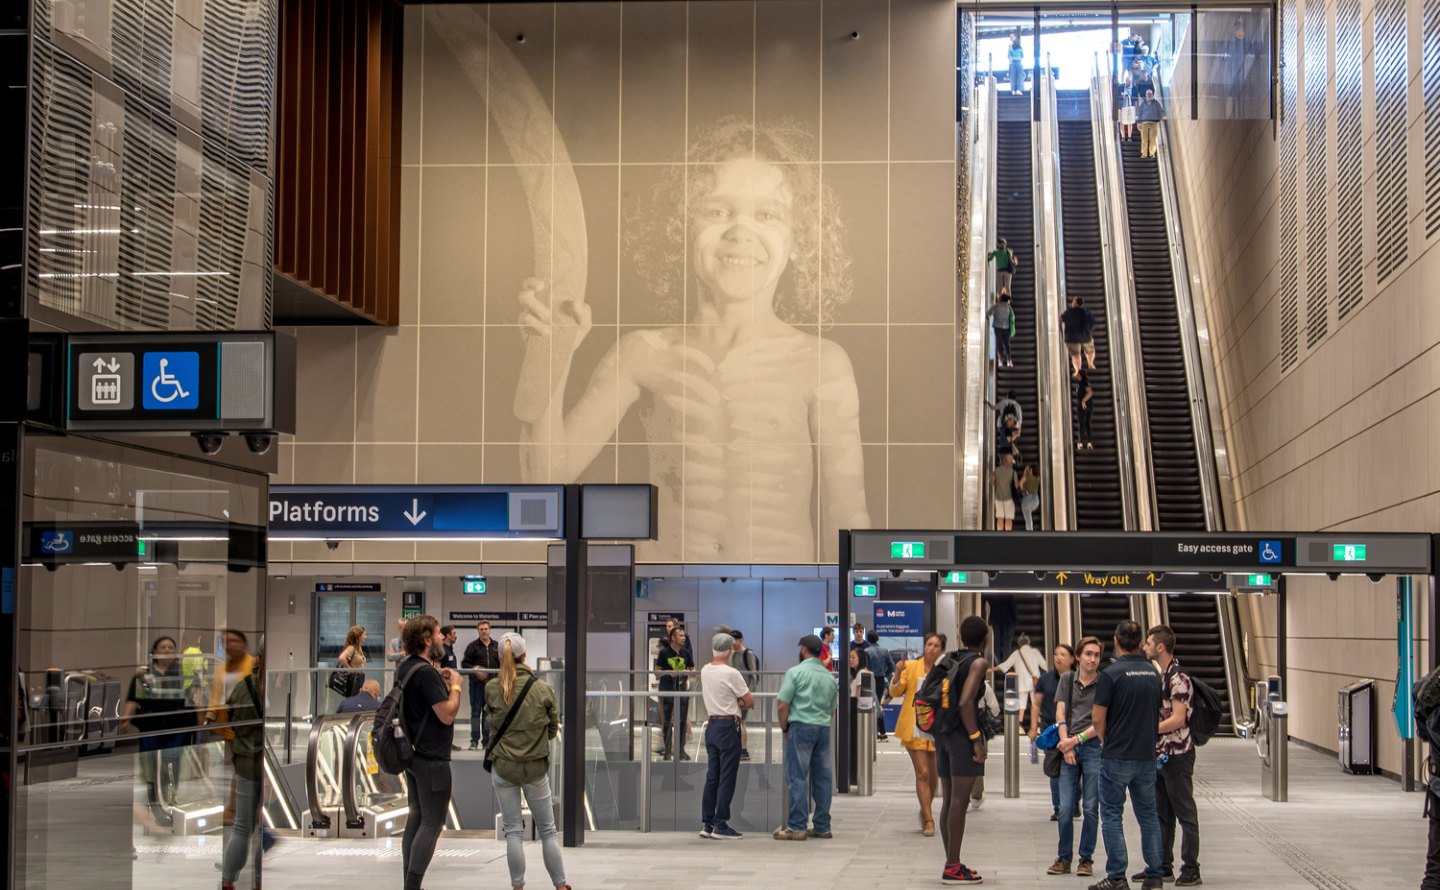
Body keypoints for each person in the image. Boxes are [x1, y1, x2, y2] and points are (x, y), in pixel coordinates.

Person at [516, 118, 870, 564]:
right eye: (718, 210)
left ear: (800, 239)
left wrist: (852, 625)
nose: (740, 231)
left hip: (780, 606)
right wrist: (553, 354)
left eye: (767, 214)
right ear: (682, 225)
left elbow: (848, 517)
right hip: (663, 604)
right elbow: (545, 471)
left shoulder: (822, 363)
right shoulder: (643, 353)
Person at [484, 632, 571, 890]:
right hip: (535, 767)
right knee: (548, 831)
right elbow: (553, 728)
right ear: (524, 656)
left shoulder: (491, 687)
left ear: (500, 657)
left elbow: (490, 722)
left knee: (513, 831)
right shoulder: (542, 688)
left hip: (503, 766)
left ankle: (518, 886)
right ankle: (560, 884)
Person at [1089, 620, 1165, 890]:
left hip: (1116, 755)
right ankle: (1155, 875)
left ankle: (1117, 876)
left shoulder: (1111, 674)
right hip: (1146, 755)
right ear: (1140, 642)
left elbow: (1098, 718)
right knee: (1148, 815)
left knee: (1111, 814)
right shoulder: (1153, 673)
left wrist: (1105, 740)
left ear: (1116, 640)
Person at [396, 616, 462, 890]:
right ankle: (412, 886)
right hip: (432, 758)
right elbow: (446, 714)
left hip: (413, 755)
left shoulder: (407, 667)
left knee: (417, 816)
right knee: (432, 822)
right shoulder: (425, 673)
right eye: (437, 634)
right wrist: (456, 685)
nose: (442, 639)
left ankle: (408, 882)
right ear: (426, 640)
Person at [934, 616, 991, 885]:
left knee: (949, 800)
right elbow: (967, 701)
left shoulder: (951, 658)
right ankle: (952, 868)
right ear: (985, 639)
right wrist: (976, 738)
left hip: (943, 735)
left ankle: (952, 863)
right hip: (961, 738)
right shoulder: (978, 662)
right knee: (960, 801)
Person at [1144, 625, 1201, 886]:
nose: (1144, 647)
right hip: (1163, 753)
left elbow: (1178, 719)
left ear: (1160, 647)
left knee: (1185, 813)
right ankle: (1162, 865)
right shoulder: (1163, 676)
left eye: (1148, 643)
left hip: (1178, 755)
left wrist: (1149, 729)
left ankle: (1191, 868)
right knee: (1162, 813)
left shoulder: (1178, 679)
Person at [774, 634, 839, 841]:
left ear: (803, 650)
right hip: (822, 728)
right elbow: (832, 709)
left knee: (797, 776)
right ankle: (822, 826)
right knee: (823, 778)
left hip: (800, 727)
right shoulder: (829, 677)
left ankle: (797, 826)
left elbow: (783, 703)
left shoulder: (795, 672)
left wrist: (785, 728)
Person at [120, 636, 192, 823]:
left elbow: (195, 697)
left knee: (171, 758)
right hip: (150, 725)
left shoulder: (183, 672)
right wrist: (125, 719)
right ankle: (153, 796)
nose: (167, 650)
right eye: (163, 647)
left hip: (178, 725)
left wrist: (201, 722)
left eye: (171, 647)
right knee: (148, 760)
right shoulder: (144, 675)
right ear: (155, 651)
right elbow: (133, 699)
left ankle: (169, 797)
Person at [1051, 636, 1104, 878]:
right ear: (1079, 657)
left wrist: (1076, 740)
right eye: (1088, 654)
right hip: (1068, 749)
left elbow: (1102, 721)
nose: (1092, 659)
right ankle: (1063, 858)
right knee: (1064, 807)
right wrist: (1066, 743)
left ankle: (1086, 858)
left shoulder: (1105, 683)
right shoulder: (1067, 680)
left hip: (1093, 748)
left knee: (1092, 807)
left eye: (1096, 655)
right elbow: (1060, 712)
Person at [218, 635, 264, 890]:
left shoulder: (245, 685)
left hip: (245, 759)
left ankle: (228, 878)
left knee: (242, 825)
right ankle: (259, 880)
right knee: (262, 825)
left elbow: (231, 716)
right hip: (264, 761)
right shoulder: (269, 685)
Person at [890, 632, 946, 836]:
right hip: (913, 725)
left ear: (941, 649)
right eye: (929, 644)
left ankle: (925, 809)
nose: (931, 648)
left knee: (934, 775)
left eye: (936, 645)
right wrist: (897, 673)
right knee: (922, 772)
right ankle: (929, 820)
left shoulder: (944, 671)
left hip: (935, 727)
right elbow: (895, 691)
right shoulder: (912, 667)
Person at [700, 631, 755, 840]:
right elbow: (749, 701)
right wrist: (737, 702)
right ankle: (721, 824)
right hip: (728, 727)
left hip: (711, 726)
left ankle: (707, 823)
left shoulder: (705, 670)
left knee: (712, 776)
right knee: (727, 777)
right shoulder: (731, 673)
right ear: (730, 650)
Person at [1031, 643, 1077, 821]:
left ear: (1072, 658)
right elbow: (1036, 703)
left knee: (1075, 767)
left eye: (1063, 654)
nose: (1058, 658)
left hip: (1075, 730)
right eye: (1056, 654)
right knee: (1054, 769)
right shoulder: (1046, 679)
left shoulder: (1079, 678)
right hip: (1052, 730)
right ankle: (1058, 807)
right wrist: (1034, 727)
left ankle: (1074, 801)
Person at [656, 624, 695, 759]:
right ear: (673, 637)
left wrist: (688, 672)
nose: (684, 638)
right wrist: (668, 672)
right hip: (667, 691)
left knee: (682, 721)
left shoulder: (686, 653)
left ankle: (680, 750)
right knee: (667, 721)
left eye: (684, 635)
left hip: (682, 691)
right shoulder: (664, 653)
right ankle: (667, 751)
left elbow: (693, 671)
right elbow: (657, 673)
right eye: (681, 635)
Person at [992, 632, 1046, 728]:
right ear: (1028, 642)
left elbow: (1006, 665)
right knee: (1036, 704)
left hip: (1022, 682)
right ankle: (1038, 726)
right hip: (1035, 682)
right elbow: (1044, 665)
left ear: (1019, 643)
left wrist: (992, 669)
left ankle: (1019, 726)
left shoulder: (1017, 653)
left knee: (1021, 704)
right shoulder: (1035, 652)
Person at [462, 620, 500, 750]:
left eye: (485, 629)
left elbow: (502, 665)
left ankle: (486, 741)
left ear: (490, 630)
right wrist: (476, 668)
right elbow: (464, 664)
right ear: (478, 631)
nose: (484, 631)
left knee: (488, 713)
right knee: (475, 712)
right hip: (476, 685)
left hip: (492, 686)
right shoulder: (472, 647)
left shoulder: (497, 646)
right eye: (481, 629)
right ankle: (474, 741)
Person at [728, 629, 760, 760]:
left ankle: (744, 750)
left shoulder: (748, 654)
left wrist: (748, 695)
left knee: (741, 722)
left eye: (734, 639)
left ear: (740, 640)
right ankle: (737, 748)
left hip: (744, 693)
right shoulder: (733, 654)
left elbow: (754, 676)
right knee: (735, 722)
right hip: (735, 694)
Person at [864, 630, 895, 741]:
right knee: (877, 705)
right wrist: (884, 674)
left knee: (872, 706)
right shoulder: (884, 651)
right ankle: (881, 733)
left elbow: (865, 667)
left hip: (869, 680)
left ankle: (880, 733)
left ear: (868, 639)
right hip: (881, 680)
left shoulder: (866, 651)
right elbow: (892, 667)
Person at [1061, 296, 1097, 378]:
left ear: (1076, 303)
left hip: (1073, 338)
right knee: (1090, 351)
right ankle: (1091, 364)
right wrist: (1089, 330)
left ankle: (1078, 370)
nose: (1072, 302)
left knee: (1075, 355)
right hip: (1086, 336)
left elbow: (1060, 319)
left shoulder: (1069, 312)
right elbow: (1093, 323)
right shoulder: (1087, 312)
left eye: (1073, 301)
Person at [983, 594, 1018, 663]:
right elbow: (1013, 607)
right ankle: (1006, 660)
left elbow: (984, 598)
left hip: (995, 619)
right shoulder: (1007, 594)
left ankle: (997, 660)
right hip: (1008, 619)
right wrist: (1015, 619)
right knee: (1007, 641)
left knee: (996, 641)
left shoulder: (992, 594)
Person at [1137, 88, 1166, 159]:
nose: (1149, 95)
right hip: (1144, 122)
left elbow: (1160, 110)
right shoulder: (1143, 104)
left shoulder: (1155, 103)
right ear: (1146, 95)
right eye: (1148, 94)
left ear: (1152, 95)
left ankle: (1152, 153)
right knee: (1144, 139)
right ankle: (1144, 153)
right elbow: (1140, 114)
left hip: (1153, 122)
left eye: (1150, 94)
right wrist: (1138, 123)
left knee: (1153, 138)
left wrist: (1163, 116)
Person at [993, 452, 1019, 531]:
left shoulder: (996, 471)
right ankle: (1007, 536)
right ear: (1008, 461)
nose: (1012, 461)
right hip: (1009, 499)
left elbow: (992, 482)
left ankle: (999, 536)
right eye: (1011, 460)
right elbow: (1016, 486)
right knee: (1008, 519)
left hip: (998, 498)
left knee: (1000, 518)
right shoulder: (1013, 472)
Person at [990, 292, 1016, 367]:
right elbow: (1013, 318)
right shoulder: (1009, 308)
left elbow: (988, 313)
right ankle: (1009, 361)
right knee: (1007, 345)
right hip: (1006, 329)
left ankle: (1000, 361)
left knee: (999, 345)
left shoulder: (996, 306)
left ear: (1000, 299)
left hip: (998, 329)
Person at [1076, 370, 1095, 450]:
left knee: (1082, 424)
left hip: (1083, 407)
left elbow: (1090, 392)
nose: (1076, 376)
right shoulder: (1085, 382)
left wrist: (1083, 400)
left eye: (1078, 374)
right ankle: (1089, 443)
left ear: (1080, 376)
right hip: (1089, 406)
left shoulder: (1083, 383)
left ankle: (1080, 442)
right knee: (1087, 424)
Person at [1019, 463, 1041, 531]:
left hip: (1027, 499)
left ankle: (1030, 533)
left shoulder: (1027, 477)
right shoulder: (1038, 478)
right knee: (1029, 515)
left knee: (1028, 519)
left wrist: (1025, 472)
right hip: (1036, 500)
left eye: (1029, 469)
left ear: (1031, 470)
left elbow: (1020, 484)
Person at [1006, 31, 1025, 95]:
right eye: (1010, 37)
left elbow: (1009, 56)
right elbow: (1022, 56)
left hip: (1013, 63)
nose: (1010, 38)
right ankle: (1018, 89)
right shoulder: (1020, 48)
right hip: (1017, 62)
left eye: (1012, 36)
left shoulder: (1011, 47)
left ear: (1015, 37)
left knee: (1013, 77)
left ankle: (1013, 90)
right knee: (1019, 76)